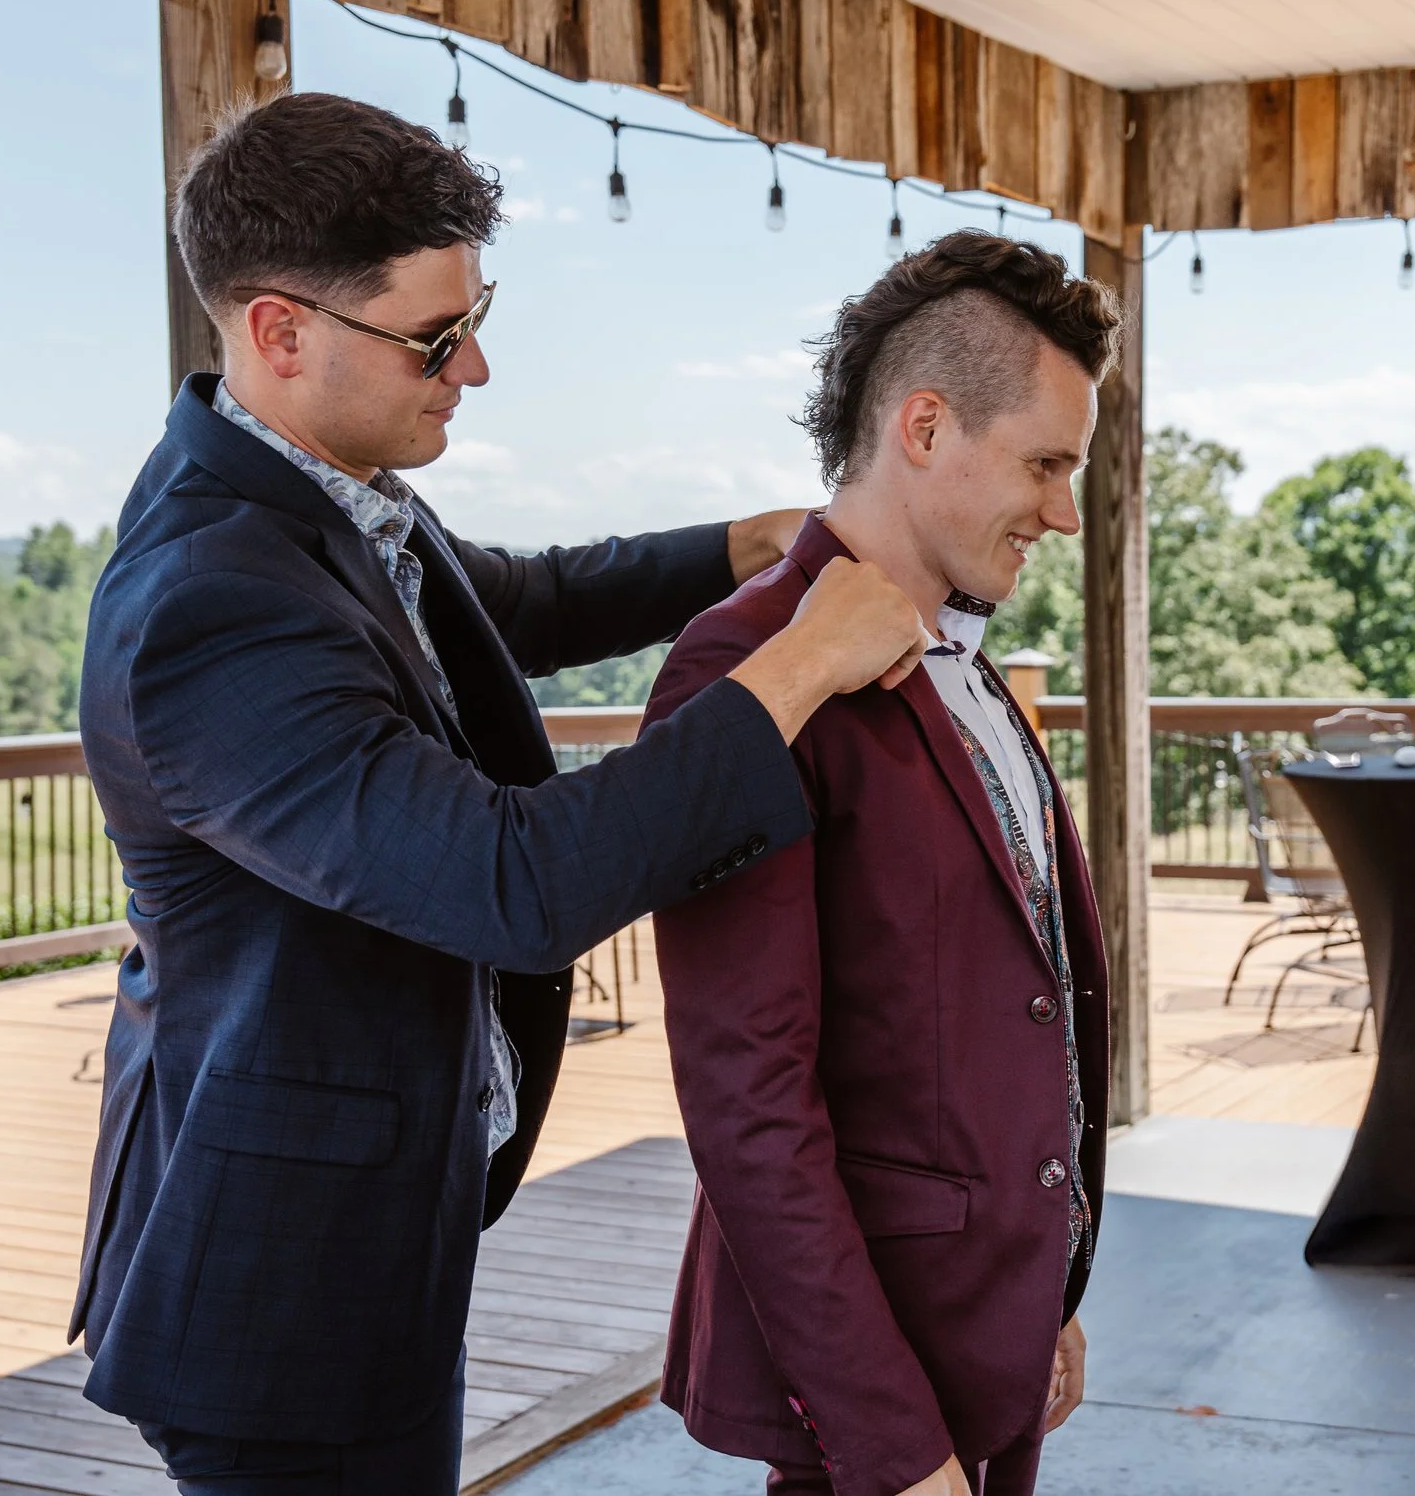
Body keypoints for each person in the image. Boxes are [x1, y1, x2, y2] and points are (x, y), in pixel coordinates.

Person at [70, 91, 929, 1495]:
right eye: (432, 335)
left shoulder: (327, 494)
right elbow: (515, 885)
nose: (474, 365)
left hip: (381, 1213)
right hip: (281, 1275)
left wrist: (739, 545)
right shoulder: (213, 602)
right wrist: (796, 668)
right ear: (281, 332)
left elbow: (511, 600)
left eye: (476, 314)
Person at [643, 231, 1120, 1496]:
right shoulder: (739, 668)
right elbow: (748, 1105)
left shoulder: (970, 660)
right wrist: (890, 1444)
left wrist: (1040, 1281)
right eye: (1045, 462)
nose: (1065, 509)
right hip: (869, 1407)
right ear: (923, 426)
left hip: (987, 1336)